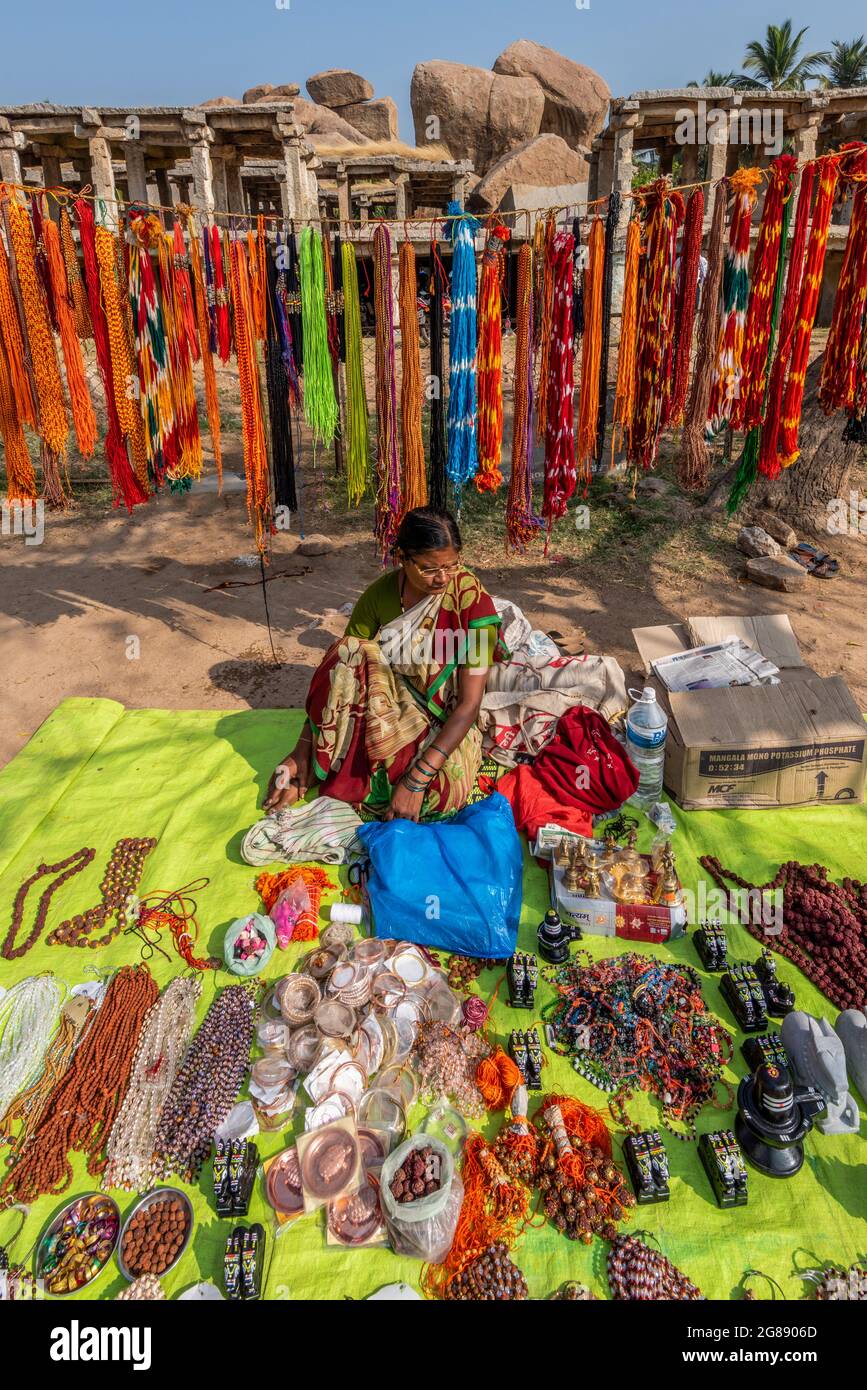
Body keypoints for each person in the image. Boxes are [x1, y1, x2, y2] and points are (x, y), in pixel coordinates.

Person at [263, 507, 506, 822]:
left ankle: (368, 775)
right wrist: (302, 751)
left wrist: (418, 777)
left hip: (445, 721)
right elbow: (339, 674)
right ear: (403, 558)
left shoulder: (472, 601)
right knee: (349, 650)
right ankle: (335, 767)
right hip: (390, 704)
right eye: (429, 568)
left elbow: (470, 705)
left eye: (451, 565)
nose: (443, 578)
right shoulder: (380, 595)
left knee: (441, 793)